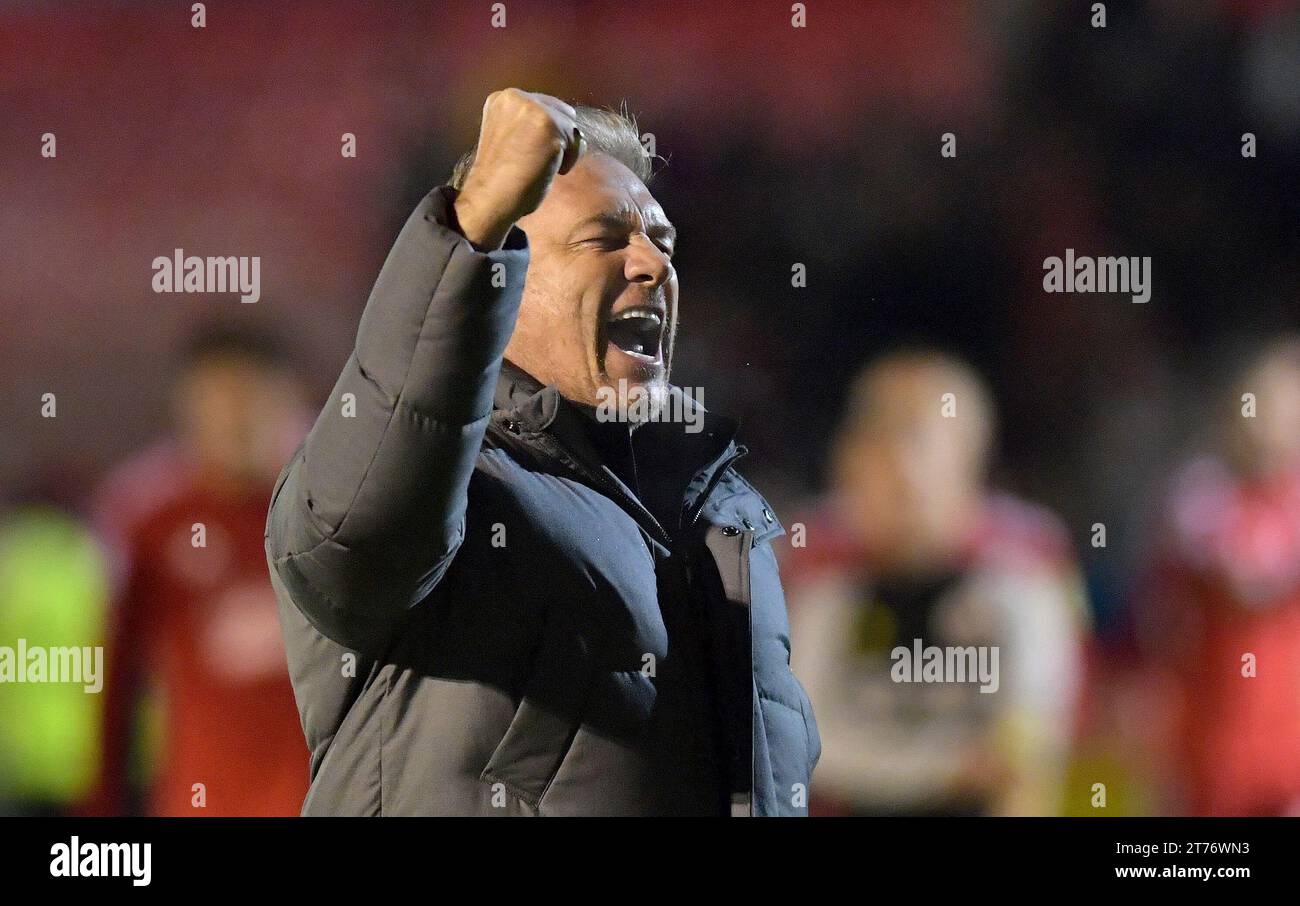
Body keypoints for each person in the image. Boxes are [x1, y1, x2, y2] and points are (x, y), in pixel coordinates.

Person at [266, 89, 820, 816]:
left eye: (663, 241)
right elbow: (354, 531)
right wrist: (473, 222)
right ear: (505, 281)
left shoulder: (722, 524)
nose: (653, 265)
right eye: (604, 239)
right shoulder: (452, 484)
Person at [787, 350, 1088, 816]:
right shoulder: (816, 559)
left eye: (912, 435)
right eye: (872, 432)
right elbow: (800, 742)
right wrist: (942, 768)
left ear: (969, 452)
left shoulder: (1024, 560)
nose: (892, 460)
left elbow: (1033, 736)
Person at [87, 324, 311, 816]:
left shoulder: (331, 520)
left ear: (287, 402)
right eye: (216, 404)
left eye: (250, 402)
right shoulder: (153, 524)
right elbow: (116, 683)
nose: (234, 422)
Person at [1136, 338, 1300, 815]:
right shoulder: (1200, 496)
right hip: (1212, 731)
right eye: (1261, 407)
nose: (1272, 426)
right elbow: (1247, 584)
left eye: (1288, 411)